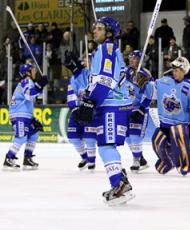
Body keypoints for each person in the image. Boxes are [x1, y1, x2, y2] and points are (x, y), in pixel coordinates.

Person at [73, 16, 134, 205]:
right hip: (111, 103)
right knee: (108, 145)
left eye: (99, 28)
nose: (95, 31)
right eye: (95, 28)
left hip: (111, 104)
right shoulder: (105, 49)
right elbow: (100, 79)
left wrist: (91, 101)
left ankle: (119, 186)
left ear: (108, 33)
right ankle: (121, 181)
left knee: (106, 145)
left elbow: (106, 80)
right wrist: (87, 94)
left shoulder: (107, 48)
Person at [152, 56, 190, 176]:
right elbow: (151, 88)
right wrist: (144, 81)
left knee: (178, 133)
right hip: (165, 124)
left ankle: (186, 167)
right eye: (173, 70)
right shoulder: (164, 81)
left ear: (184, 71)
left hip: (181, 126)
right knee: (156, 140)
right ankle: (167, 161)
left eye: (177, 70)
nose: (174, 72)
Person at [3, 63, 48, 169]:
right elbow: (29, 94)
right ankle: (9, 158)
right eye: (32, 70)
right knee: (21, 137)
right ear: (27, 73)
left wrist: (40, 86)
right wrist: (40, 84)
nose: (35, 71)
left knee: (34, 133)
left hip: (25, 115)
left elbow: (35, 96)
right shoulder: (25, 81)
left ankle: (27, 158)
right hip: (19, 115)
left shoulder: (29, 82)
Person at [124, 50, 155, 172]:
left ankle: (136, 160)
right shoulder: (127, 71)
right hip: (127, 107)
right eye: (130, 57)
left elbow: (150, 93)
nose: (131, 60)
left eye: (134, 58)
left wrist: (142, 108)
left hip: (140, 109)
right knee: (126, 136)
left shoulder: (145, 74)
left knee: (134, 135)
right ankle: (140, 158)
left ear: (141, 60)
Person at [65, 54, 97, 170]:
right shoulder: (75, 76)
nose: (85, 61)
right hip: (78, 109)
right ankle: (85, 157)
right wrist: (74, 108)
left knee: (89, 137)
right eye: (84, 58)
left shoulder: (96, 74)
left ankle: (91, 163)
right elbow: (71, 93)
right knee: (73, 136)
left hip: (90, 109)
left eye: (88, 59)